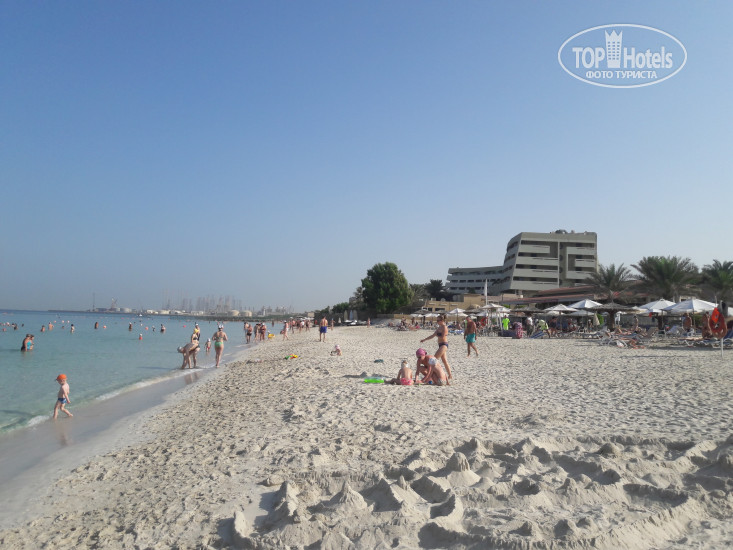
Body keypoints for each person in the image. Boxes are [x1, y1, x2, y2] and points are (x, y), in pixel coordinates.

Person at [420, 314, 453, 381]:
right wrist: (425, 339)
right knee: (444, 360)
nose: (437, 322)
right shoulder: (439, 327)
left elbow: (442, 336)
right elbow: (432, 335)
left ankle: (431, 375)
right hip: (440, 345)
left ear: (442, 320)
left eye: (438, 320)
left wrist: (437, 334)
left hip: (444, 344)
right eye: (437, 320)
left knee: (434, 359)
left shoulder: (444, 327)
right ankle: (450, 375)